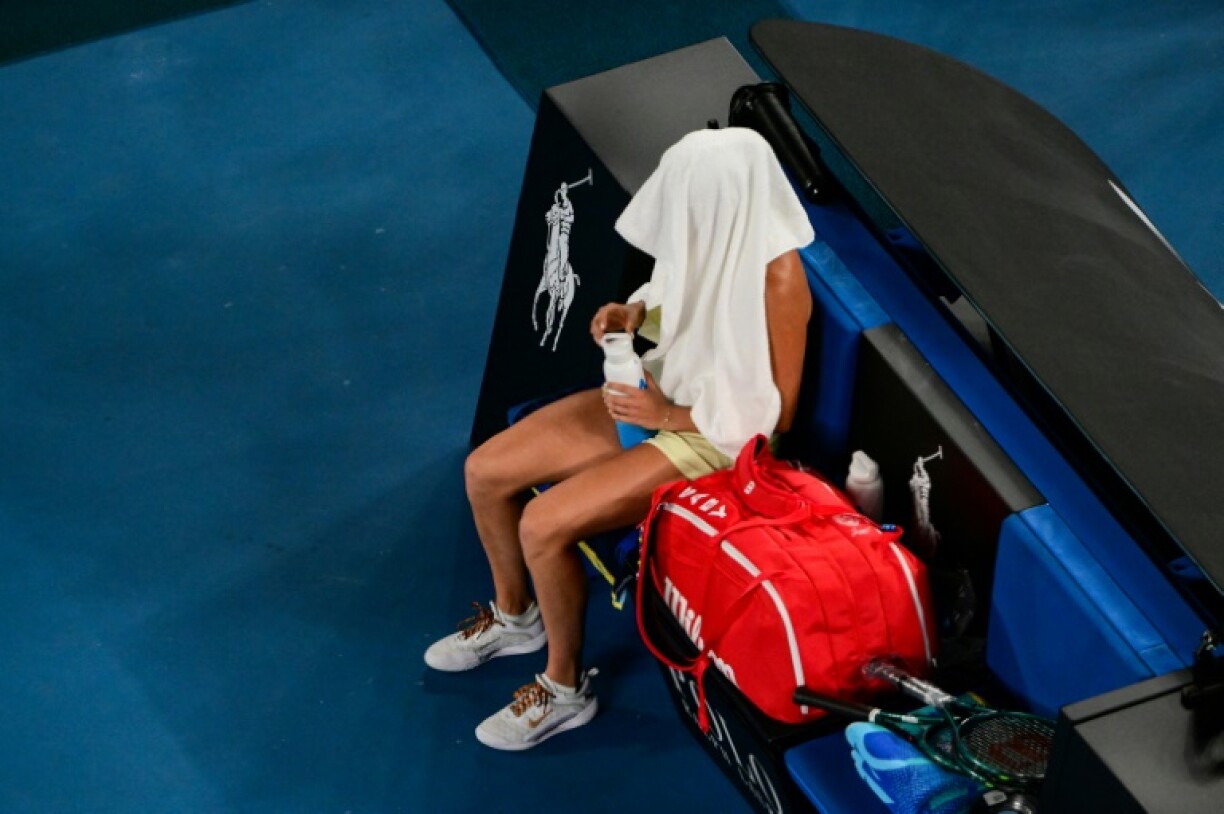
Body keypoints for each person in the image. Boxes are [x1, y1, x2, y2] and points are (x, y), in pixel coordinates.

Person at [424, 127, 816, 751]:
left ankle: (563, 689)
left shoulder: (780, 283)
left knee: (542, 526)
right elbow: (674, 301)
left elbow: (779, 416)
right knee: (485, 472)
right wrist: (633, 315)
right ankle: (516, 616)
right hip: (654, 394)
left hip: (711, 438)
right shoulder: (714, 227)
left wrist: (668, 413)